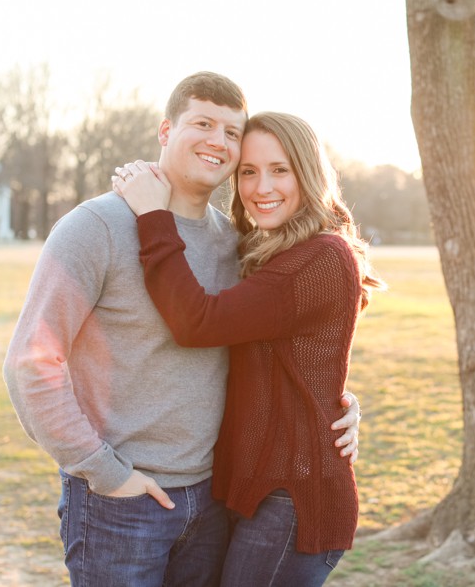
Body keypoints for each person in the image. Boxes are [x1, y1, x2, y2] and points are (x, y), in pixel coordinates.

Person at [2, 73, 361, 587]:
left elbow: (283, 344)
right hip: (123, 503)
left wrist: (339, 403)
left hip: (215, 501)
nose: (218, 141)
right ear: (166, 130)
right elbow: (30, 363)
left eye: (232, 132)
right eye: (202, 123)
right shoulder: (95, 227)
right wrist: (104, 472)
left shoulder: (235, 244)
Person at [112, 111, 384, 587]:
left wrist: (154, 217)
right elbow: (301, 358)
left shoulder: (319, 257)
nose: (262, 187)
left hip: (291, 501)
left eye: (280, 170)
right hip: (261, 490)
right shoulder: (269, 250)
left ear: (309, 172)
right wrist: (336, 403)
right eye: (248, 172)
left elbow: (198, 322)